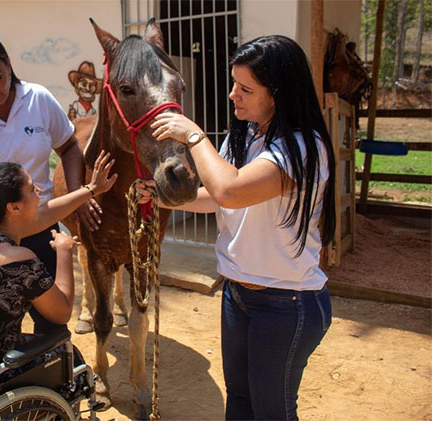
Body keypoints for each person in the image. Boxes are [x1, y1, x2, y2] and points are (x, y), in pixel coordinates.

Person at [139, 35, 336, 420]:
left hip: (286, 303)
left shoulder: (301, 148)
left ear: (278, 94)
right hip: (238, 294)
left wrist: (194, 135)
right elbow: (215, 196)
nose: (233, 95)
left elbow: (229, 190)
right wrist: (163, 198)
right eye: (233, 84)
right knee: (241, 403)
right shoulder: (246, 136)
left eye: (245, 88)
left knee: (271, 411)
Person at [0, 33, 101, 335]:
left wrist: (78, 193)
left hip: (42, 232)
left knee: (52, 330)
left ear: (9, 66)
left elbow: (70, 146)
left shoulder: (37, 99)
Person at [0, 152, 115, 367]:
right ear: (14, 208)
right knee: (71, 357)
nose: (38, 191)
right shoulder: (18, 260)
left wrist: (92, 189)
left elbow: (46, 215)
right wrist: (64, 251)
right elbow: (62, 312)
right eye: (31, 189)